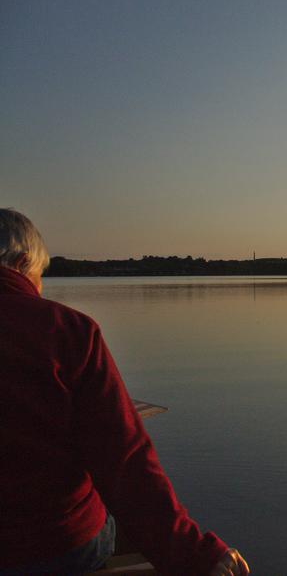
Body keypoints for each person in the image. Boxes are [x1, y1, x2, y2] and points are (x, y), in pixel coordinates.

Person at [0, 209, 249, 576]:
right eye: (40, 276)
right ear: (23, 263)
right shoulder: (66, 332)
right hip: (53, 549)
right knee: (104, 509)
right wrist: (197, 555)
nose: (41, 288)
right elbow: (126, 461)